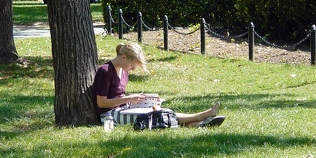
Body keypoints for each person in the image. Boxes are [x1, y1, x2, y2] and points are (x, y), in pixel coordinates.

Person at [92, 42, 225, 127]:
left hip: (124, 108)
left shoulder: (124, 69)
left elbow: (117, 95)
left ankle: (195, 124)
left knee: (157, 110)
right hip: (110, 115)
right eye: (132, 65)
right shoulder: (105, 71)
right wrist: (128, 99)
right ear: (124, 57)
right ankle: (200, 117)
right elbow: (101, 103)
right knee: (155, 115)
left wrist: (138, 99)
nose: (133, 69)